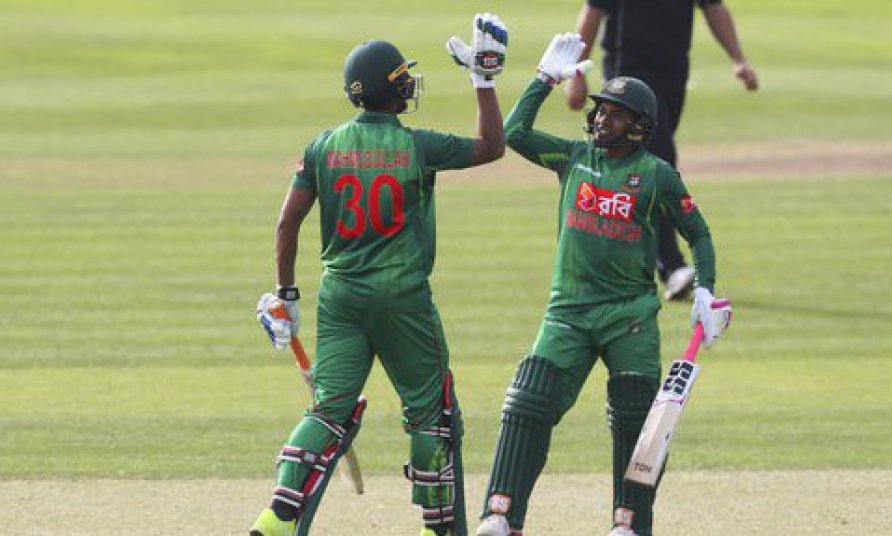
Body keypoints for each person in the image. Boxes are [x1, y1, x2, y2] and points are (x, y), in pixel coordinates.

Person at [250, 14, 509, 536]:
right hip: (403, 299)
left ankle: (276, 518)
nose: (410, 83)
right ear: (391, 89)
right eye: (403, 77)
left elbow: (287, 222)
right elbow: (491, 147)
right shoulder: (415, 145)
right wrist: (483, 82)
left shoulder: (322, 146)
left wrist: (286, 295)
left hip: (340, 297)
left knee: (328, 410)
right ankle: (436, 527)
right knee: (429, 414)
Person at [475, 34, 732, 536]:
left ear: (638, 126)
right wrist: (544, 78)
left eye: (613, 114)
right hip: (567, 312)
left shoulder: (656, 174)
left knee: (637, 424)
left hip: (630, 318)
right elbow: (515, 133)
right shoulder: (572, 158)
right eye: (598, 111)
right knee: (527, 402)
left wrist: (705, 288)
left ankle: (628, 524)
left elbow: (697, 232)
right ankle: (501, 516)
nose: (599, 120)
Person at [565, 0, 758, 301]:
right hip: (628, 81)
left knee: (640, 172)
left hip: (673, 74)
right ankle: (671, 266)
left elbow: (714, 8)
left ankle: (619, 260)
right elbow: (592, 14)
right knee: (657, 164)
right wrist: (577, 74)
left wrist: (738, 59)